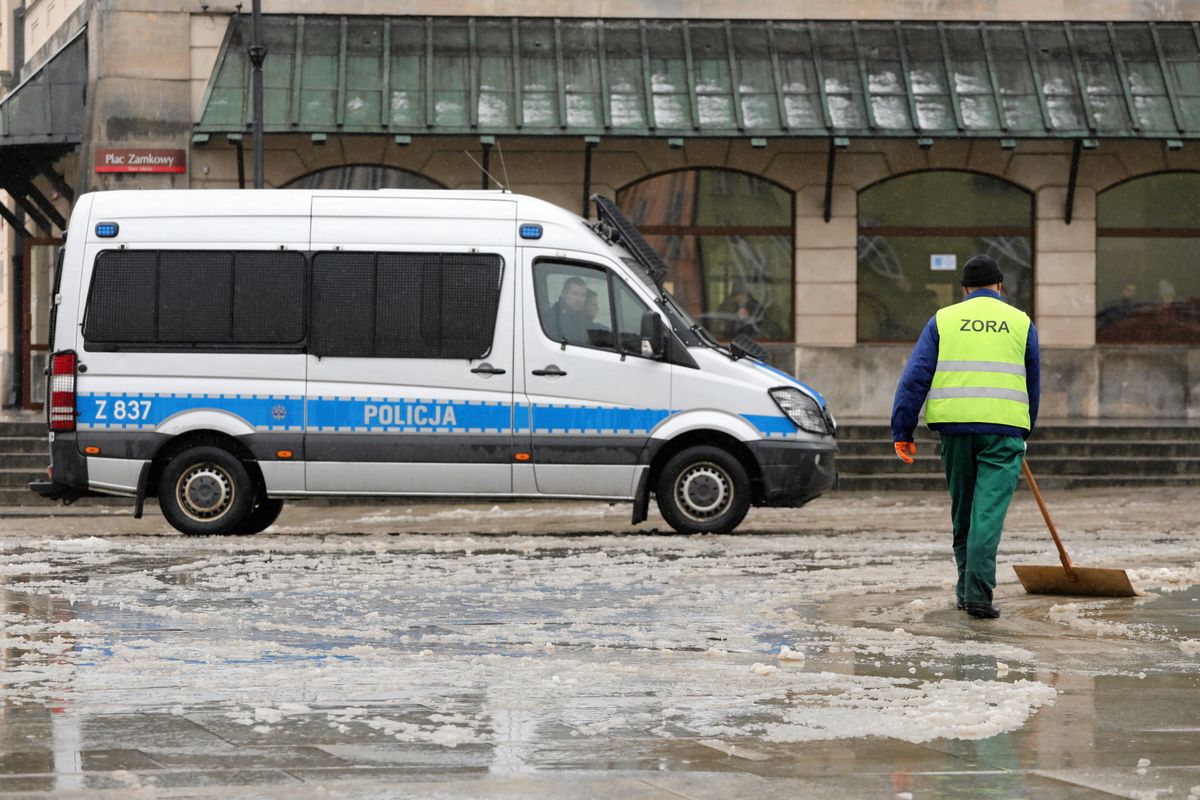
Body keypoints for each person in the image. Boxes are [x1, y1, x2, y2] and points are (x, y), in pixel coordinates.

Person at [891, 254, 1040, 620]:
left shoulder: (944, 320)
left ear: (964, 289)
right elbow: (1032, 382)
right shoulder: (1021, 323)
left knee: (964, 514)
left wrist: (902, 429)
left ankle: (966, 590)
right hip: (1004, 432)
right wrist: (1025, 427)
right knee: (986, 515)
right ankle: (977, 596)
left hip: (956, 430)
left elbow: (915, 378)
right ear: (1000, 286)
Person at [550, 276, 591, 345]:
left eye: (582, 295)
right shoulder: (554, 317)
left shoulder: (579, 315)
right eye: (574, 294)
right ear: (564, 294)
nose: (579, 299)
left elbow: (591, 327)